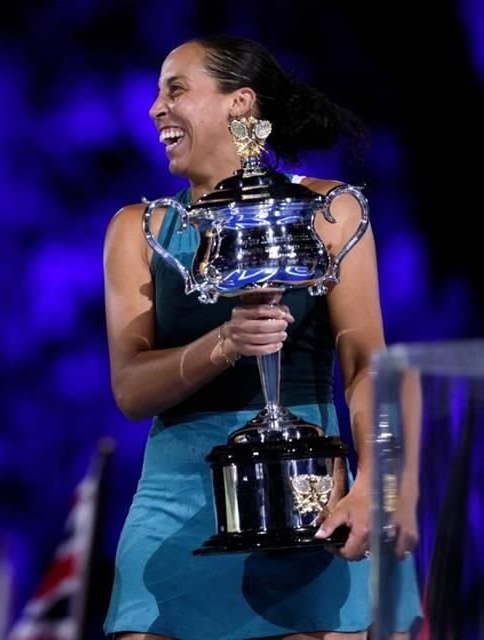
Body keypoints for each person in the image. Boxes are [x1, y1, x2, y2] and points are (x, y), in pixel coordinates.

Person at [101, 36, 422, 639]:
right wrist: (223, 342)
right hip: (175, 492)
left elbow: (365, 366)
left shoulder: (331, 210)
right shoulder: (138, 230)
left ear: (240, 104)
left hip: (312, 488)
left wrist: (376, 484)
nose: (155, 109)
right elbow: (130, 389)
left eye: (176, 90)